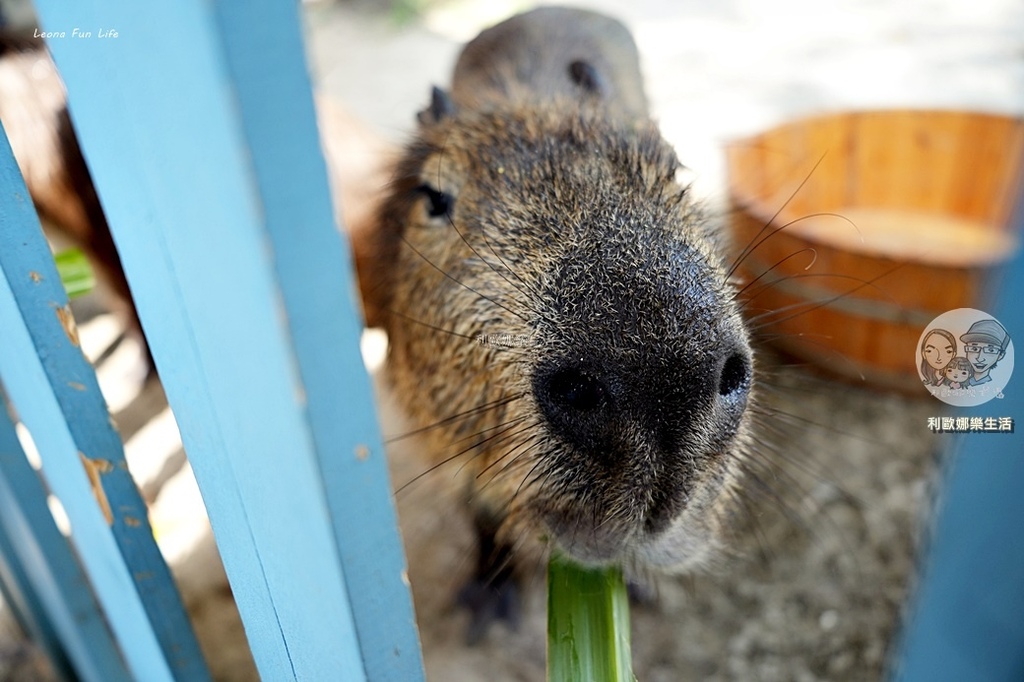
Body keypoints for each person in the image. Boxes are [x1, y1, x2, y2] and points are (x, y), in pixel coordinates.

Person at [961, 319, 1011, 386]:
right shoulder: (956, 382)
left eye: (990, 350)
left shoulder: (996, 385)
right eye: (974, 348)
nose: (980, 358)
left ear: (1000, 355)